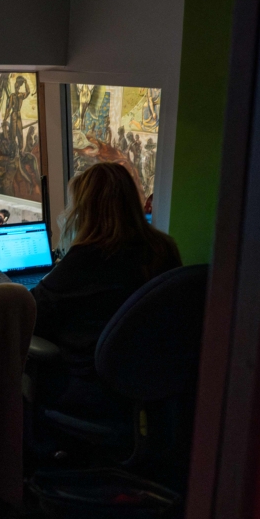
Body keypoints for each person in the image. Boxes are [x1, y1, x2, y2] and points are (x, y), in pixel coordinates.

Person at [31, 162, 181, 416]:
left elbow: (32, 316)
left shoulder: (84, 260)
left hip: (92, 389)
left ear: (85, 210)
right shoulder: (163, 248)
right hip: (153, 387)